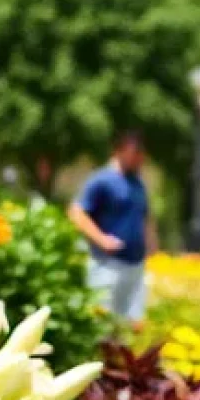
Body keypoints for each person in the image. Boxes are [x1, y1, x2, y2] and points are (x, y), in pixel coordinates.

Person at [67, 131, 157, 323]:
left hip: (135, 264)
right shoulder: (102, 180)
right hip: (107, 264)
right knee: (103, 322)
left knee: (128, 325)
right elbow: (76, 212)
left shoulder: (137, 183)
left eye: (142, 154)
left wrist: (151, 242)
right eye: (135, 153)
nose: (140, 159)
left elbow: (145, 216)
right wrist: (101, 239)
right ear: (119, 151)